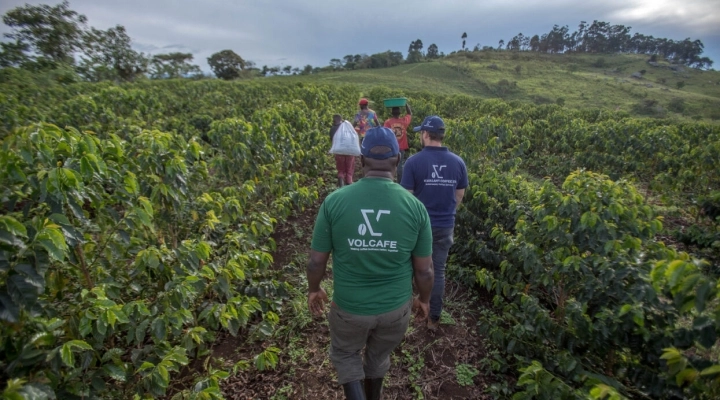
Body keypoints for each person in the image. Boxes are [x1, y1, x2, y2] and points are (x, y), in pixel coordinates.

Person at [307, 126, 434, 400]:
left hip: (349, 308)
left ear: (361, 160)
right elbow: (424, 270)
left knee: (346, 354)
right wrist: (424, 299)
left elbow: (316, 261)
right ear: (397, 160)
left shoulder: (334, 202)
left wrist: (314, 289)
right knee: (378, 358)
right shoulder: (415, 208)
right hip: (394, 310)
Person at [400, 115, 468, 331]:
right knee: (437, 270)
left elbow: (406, 198)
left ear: (426, 134)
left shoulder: (413, 162)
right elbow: (459, 195)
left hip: (419, 227)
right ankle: (433, 318)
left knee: (409, 268)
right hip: (445, 226)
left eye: (421, 133)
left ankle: (406, 313)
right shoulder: (458, 162)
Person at [383, 103, 412, 182]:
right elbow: (410, 114)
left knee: (390, 164)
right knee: (400, 166)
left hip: (391, 147)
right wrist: (406, 105)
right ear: (400, 113)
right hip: (401, 147)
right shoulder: (404, 121)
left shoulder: (388, 122)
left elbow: (385, 134)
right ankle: (400, 183)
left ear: (392, 113)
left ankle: (389, 180)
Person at [330, 113, 355, 187]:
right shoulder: (347, 127)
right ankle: (349, 186)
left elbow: (332, 140)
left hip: (339, 152)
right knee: (349, 171)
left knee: (341, 170)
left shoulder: (333, 129)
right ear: (341, 120)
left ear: (334, 121)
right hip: (350, 152)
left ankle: (341, 186)